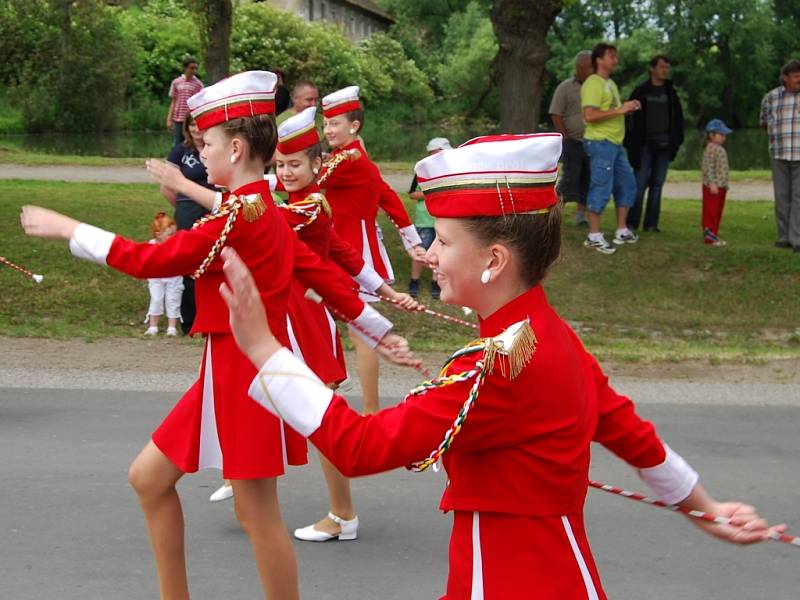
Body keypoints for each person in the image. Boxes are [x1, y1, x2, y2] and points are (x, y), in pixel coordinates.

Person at [219, 133, 783, 600]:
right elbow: (629, 432)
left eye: (441, 241)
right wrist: (704, 506)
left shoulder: (497, 365)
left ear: (494, 260)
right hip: (551, 575)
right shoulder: (548, 334)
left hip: (509, 580)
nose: (429, 255)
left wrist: (265, 350)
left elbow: (359, 447)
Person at [20, 71, 412, 600]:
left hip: (246, 376)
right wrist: (377, 326)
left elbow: (151, 260)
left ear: (236, 147)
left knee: (256, 511)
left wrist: (69, 229)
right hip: (221, 370)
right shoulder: (252, 209)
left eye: (205, 144)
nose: (200, 155)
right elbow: (312, 268)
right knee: (149, 479)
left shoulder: (240, 217)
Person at [318, 85, 426, 418]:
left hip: (349, 251)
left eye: (335, 123)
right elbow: (389, 198)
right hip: (345, 248)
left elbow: (307, 182)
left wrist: (254, 181)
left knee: (359, 329)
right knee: (338, 322)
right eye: (326, 124)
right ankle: (339, 389)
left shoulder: (348, 161)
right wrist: (412, 241)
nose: (328, 130)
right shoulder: (357, 159)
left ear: (354, 126)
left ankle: (368, 407)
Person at [581, 43, 641, 254]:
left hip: (615, 143)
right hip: (600, 143)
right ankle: (594, 235)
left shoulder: (611, 84)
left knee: (627, 184)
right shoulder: (593, 83)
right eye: (611, 56)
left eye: (616, 56)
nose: (615, 60)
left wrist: (627, 107)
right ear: (599, 59)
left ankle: (622, 230)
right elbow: (589, 115)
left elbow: (613, 111)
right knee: (601, 187)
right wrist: (620, 110)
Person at [159, 113, 214, 333]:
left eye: (200, 124)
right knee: (189, 263)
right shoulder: (180, 151)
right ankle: (189, 320)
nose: (196, 129)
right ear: (187, 128)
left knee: (211, 263)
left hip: (212, 207)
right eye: (192, 124)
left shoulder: (215, 148)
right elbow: (166, 187)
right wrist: (184, 207)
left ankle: (212, 316)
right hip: (188, 209)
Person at [624, 55, 685, 233]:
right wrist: (631, 143)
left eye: (667, 67)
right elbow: (630, 119)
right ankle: (631, 223)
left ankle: (651, 225)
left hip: (664, 146)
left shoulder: (670, 92)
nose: (665, 71)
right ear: (652, 69)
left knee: (657, 185)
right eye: (661, 67)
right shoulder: (641, 91)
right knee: (639, 184)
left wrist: (676, 140)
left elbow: (678, 120)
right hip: (644, 146)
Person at [760, 58, 800, 251]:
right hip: (779, 153)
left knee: (798, 197)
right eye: (795, 76)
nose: (799, 79)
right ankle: (783, 236)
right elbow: (764, 123)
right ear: (785, 78)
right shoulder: (771, 97)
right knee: (782, 196)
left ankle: (796, 239)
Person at [549, 50, 593, 226]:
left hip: (592, 142)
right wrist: (565, 136)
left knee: (587, 179)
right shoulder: (566, 87)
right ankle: (555, 214)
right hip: (572, 142)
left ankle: (581, 216)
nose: (593, 70)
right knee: (569, 179)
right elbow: (555, 113)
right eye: (590, 66)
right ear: (579, 67)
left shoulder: (596, 87)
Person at [408, 137, 450, 299]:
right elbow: (412, 194)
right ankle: (414, 281)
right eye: (436, 153)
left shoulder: (449, 171)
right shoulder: (421, 171)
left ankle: (436, 283)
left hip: (442, 218)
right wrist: (431, 193)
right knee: (421, 251)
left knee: (440, 253)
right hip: (425, 220)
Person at [144, 212, 183, 336]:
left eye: (174, 233)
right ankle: (153, 326)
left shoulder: (176, 244)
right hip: (156, 278)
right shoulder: (151, 245)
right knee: (156, 299)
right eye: (170, 234)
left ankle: (172, 327)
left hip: (174, 278)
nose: (173, 236)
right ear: (158, 234)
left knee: (173, 300)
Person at [701, 119, 732, 246]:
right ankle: (710, 236)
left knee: (718, 210)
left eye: (724, 135)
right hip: (712, 187)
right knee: (711, 211)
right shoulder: (711, 149)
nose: (724, 137)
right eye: (721, 134)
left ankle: (714, 234)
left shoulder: (719, 148)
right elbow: (707, 167)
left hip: (721, 186)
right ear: (711, 135)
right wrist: (712, 183)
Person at [166, 56, 204, 147]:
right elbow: (174, 101)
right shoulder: (176, 82)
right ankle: (175, 160)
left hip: (190, 119)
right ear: (185, 68)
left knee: (190, 141)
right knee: (177, 142)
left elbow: (200, 102)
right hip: (178, 117)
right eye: (191, 68)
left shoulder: (198, 84)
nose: (194, 70)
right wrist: (169, 118)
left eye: (195, 68)